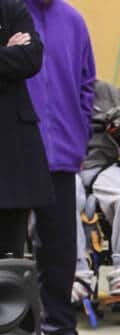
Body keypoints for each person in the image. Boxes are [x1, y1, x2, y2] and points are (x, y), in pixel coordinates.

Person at [24, 0, 99, 335]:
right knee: (10, 249)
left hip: (64, 155)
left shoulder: (73, 19)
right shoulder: (9, 14)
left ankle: (57, 330)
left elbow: (87, 83)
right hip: (16, 151)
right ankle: (14, 334)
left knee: (60, 248)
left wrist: (79, 135)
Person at [71, 81, 120, 302]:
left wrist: (118, 118)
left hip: (104, 164)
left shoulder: (108, 92)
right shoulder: (54, 88)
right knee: (70, 198)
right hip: (67, 165)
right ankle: (79, 273)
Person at [0, 0, 51, 259]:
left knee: (11, 265)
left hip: (11, 160)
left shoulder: (11, 8)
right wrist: (7, 53)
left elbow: (31, 58)